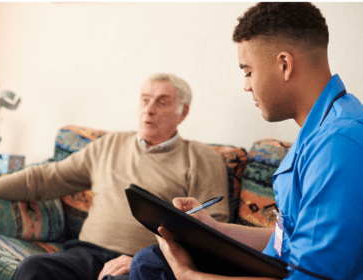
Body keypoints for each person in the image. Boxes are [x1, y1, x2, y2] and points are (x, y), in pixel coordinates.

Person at [128, 3, 363, 280]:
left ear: (284, 65)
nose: (246, 85)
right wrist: (211, 227)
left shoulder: (338, 143)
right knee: (150, 262)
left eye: (248, 71)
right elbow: (288, 238)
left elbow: (310, 277)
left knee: (152, 268)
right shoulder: (320, 129)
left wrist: (188, 275)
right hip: (278, 267)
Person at [0, 73, 230, 280]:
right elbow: (43, 179)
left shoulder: (201, 158)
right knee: (35, 269)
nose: (149, 110)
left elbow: (213, 230)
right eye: (144, 100)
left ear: (183, 112)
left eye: (162, 102)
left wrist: (150, 258)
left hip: (144, 264)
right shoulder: (110, 145)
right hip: (85, 253)